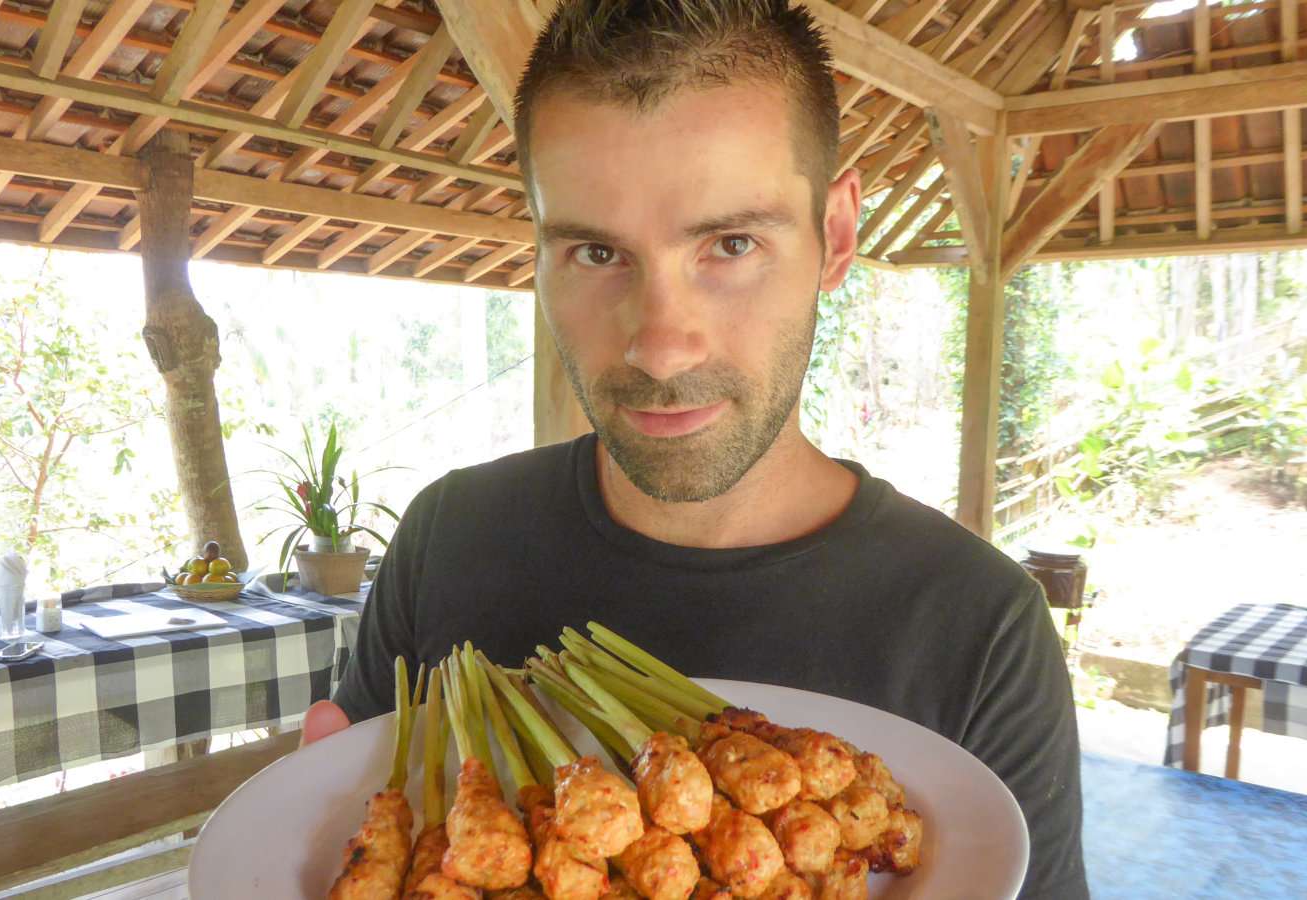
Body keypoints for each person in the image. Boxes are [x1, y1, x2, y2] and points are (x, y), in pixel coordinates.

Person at [302, 2, 1086, 897]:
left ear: (835, 236)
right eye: (598, 252)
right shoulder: (447, 535)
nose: (661, 345)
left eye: (731, 243)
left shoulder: (980, 627)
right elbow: (359, 813)